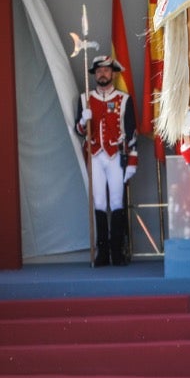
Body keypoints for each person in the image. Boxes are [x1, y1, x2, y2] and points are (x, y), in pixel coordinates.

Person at [75, 55, 138, 267]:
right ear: (95, 74)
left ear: (113, 73)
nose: (103, 73)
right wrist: (84, 119)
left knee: (117, 202)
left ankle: (117, 252)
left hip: (116, 156)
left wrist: (132, 163)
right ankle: (102, 253)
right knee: (100, 203)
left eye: (106, 70)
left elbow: (131, 133)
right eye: (99, 70)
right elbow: (80, 131)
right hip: (94, 155)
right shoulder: (85, 98)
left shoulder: (124, 99)